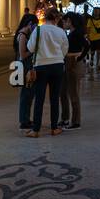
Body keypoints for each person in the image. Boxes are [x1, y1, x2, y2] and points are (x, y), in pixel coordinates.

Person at [25, 8, 68, 137]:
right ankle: (54, 128)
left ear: (45, 17)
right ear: (56, 18)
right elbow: (65, 49)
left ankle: (36, 130)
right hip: (57, 66)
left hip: (41, 66)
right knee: (55, 98)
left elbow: (30, 48)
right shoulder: (61, 31)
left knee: (39, 98)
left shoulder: (38, 30)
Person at [14, 13, 38, 130]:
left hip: (26, 66)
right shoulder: (23, 35)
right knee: (26, 94)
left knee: (28, 94)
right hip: (24, 66)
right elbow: (23, 54)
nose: (35, 28)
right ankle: (24, 121)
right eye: (34, 25)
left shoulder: (25, 33)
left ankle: (26, 119)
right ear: (29, 24)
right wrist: (33, 50)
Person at [61, 13, 84, 129]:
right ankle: (68, 119)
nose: (64, 24)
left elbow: (87, 45)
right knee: (67, 91)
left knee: (73, 93)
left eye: (65, 22)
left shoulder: (76, 33)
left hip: (73, 62)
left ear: (69, 21)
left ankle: (75, 122)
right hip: (69, 61)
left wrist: (78, 58)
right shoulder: (73, 33)